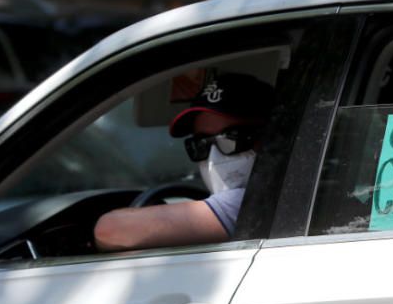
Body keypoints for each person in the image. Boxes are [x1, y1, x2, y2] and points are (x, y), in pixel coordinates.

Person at [94, 72, 274, 251]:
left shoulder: (248, 202)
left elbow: (109, 230)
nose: (214, 157)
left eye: (231, 138)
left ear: (270, 135)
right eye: (201, 144)